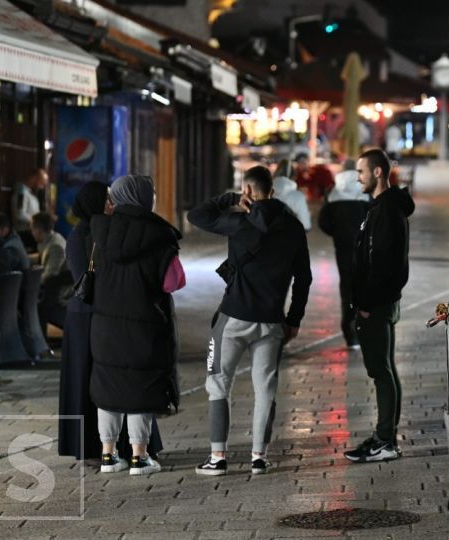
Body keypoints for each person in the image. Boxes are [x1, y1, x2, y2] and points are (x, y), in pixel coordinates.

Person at [188, 165, 311, 476]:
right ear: (272, 191)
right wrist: (293, 318)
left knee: (218, 383)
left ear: (247, 191)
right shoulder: (294, 228)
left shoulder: (239, 222)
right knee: (265, 388)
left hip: (232, 318)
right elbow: (304, 279)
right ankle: (259, 456)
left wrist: (230, 198)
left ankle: (218, 457)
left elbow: (197, 215)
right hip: (271, 322)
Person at [58, 181, 165, 462]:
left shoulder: (106, 232)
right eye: (106, 199)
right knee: (94, 380)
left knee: (112, 381)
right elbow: (85, 279)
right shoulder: (82, 235)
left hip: (104, 315)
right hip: (87, 318)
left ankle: (116, 447)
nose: (111, 204)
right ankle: (97, 446)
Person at [89, 174, 185, 476]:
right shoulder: (159, 236)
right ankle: (139, 456)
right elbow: (175, 281)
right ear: (144, 198)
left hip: (105, 328)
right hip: (144, 328)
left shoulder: (100, 232)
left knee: (109, 388)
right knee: (139, 389)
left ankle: (108, 455)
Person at [344, 148, 414, 463]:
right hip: (382, 302)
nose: (357, 177)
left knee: (382, 371)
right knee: (385, 370)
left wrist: (366, 303)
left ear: (377, 173)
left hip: (377, 304)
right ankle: (384, 437)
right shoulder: (382, 207)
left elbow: (384, 263)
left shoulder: (386, 211)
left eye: (361, 171)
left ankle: (385, 440)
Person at [319, 159, 370, 349]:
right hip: (364, 248)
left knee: (347, 288)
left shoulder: (333, 193)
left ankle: (350, 333)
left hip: (343, 248)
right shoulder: (364, 191)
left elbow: (323, 222)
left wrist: (338, 233)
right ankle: (363, 328)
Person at [12, 169, 47, 250]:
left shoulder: (30, 193)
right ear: (35, 178)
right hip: (24, 233)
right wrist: (36, 221)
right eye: (42, 182)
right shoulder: (21, 192)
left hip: (33, 232)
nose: (42, 186)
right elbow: (19, 214)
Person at [272, 159, 312, 231]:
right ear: (294, 176)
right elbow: (305, 225)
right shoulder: (298, 196)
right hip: (291, 237)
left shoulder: (266, 193)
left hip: (268, 238)